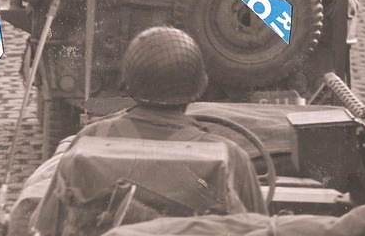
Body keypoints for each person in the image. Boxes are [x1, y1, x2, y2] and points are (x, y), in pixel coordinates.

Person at [58, 28, 264, 213]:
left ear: (126, 82)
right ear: (200, 87)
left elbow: (45, 231)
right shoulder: (230, 156)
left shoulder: (91, 139)